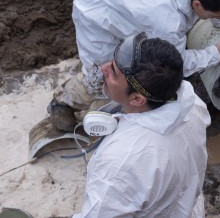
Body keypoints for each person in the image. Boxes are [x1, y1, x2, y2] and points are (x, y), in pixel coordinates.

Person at [49, 0, 220, 131]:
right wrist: (214, 54)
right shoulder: (168, 20)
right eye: (214, 14)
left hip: (130, 5)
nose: (214, 17)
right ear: (196, 5)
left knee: (129, 71)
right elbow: (175, 64)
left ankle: (99, 101)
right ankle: (63, 102)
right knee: (105, 76)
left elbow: (207, 7)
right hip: (97, 14)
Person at [73, 32, 211, 218]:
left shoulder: (119, 163)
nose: (103, 69)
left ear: (137, 99)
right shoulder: (193, 103)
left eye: (113, 73)